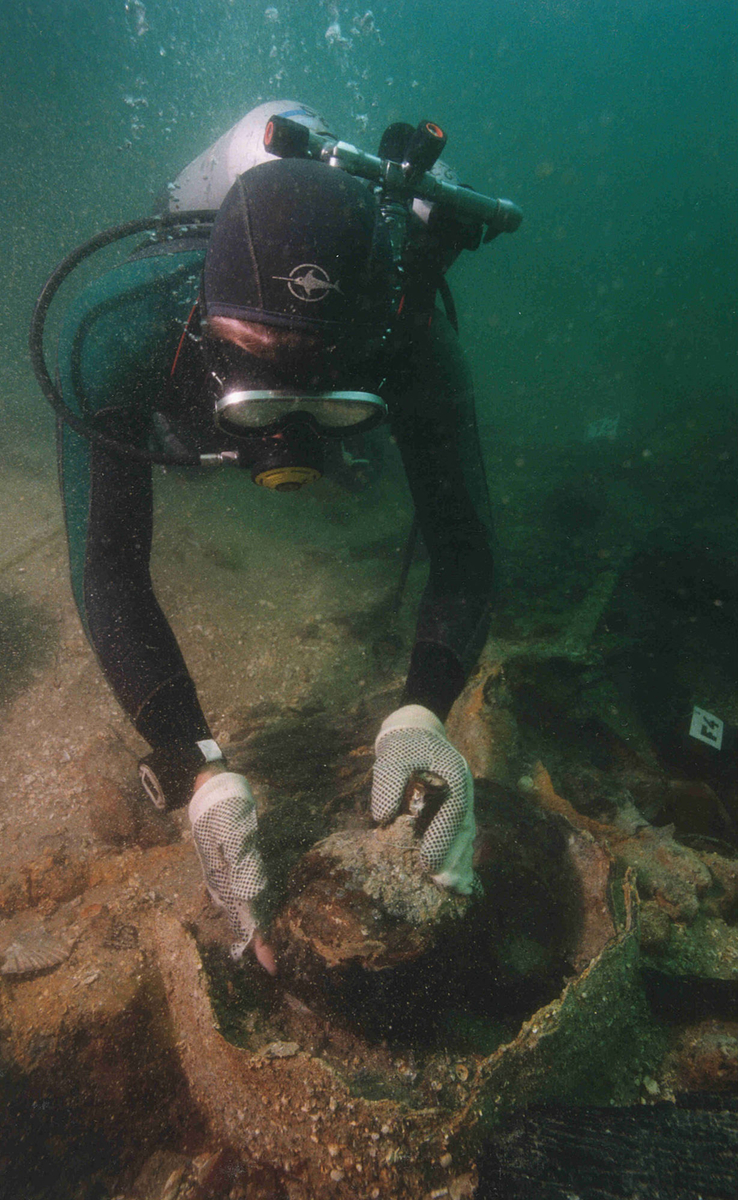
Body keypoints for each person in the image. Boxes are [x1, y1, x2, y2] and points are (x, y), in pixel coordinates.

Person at [55, 102, 495, 973]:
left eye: (324, 392)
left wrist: (422, 712)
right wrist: (196, 764)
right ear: (199, 318)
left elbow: (465, 552)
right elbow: (107, 569)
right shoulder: (121, 326)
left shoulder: (410, 341)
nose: (282, 434)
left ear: (369, 342)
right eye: (255, 370)